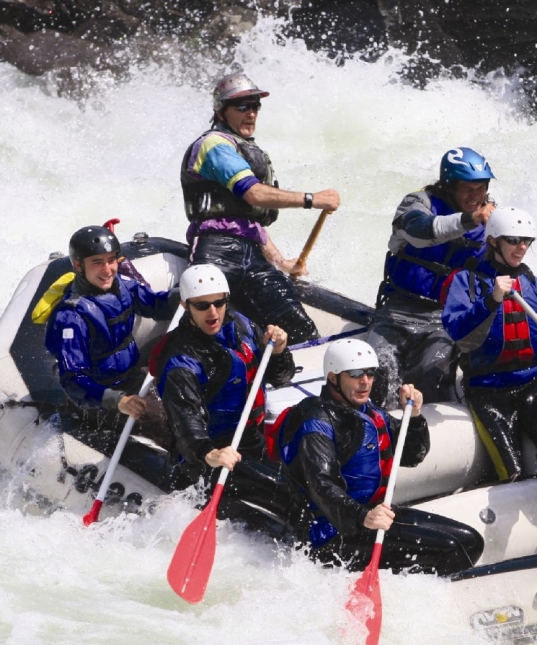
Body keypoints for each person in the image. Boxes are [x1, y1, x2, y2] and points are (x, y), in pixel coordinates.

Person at [274, 339, 484, 575]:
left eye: (370, 373)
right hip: (331, 531)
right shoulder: (318, 422)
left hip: (373, 514)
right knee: (452, 550)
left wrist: (413, 418)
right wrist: (362, 516)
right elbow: (320, 483)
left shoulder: (369, 412)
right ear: (333, 378)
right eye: (354, 374)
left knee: (470, 541)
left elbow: (413, 455)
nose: (365, 382)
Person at [180, 72, 341, 344]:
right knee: (207, 326)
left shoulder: (243, 148)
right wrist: (312, 199)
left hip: (251, 254)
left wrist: (281, 262)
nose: (251, 114)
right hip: (216, 248)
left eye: (255, 106)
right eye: (242, 107)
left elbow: (249, 224)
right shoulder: (214, 145)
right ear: (221, 112)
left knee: (299, 328)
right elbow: (253, 194)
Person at [440, 206, 537, 481]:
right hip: (489, 392)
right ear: (493, 241)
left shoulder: (534, 283)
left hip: (534, 388)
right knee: (510, 472)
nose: (522, 247)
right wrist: (491, 300)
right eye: (513, 240)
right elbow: (458, 333)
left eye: (527, 241)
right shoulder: (467, 281)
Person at [152, 264, 296, 507]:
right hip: (209, 459)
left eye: (218, 303)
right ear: (186, 306)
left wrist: (279, 351)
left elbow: (281, 378)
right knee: (289, 496)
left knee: (305, 482)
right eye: (202, 305)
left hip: (251, 441)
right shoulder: (182, 362)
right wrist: (210, 453)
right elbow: (186, 422)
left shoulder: (241, 326)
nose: (213, 312)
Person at [366, 147, 496, 407]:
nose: (475, 196)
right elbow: (421, 231)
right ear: (449, 187)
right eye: (467, 189)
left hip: (445, 318)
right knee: (378, 369)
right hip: (397, 311)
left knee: (433, 371)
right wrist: (469, 219)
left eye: (480, 188)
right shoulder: (417, 204)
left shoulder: (493, 220)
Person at [43, 225, 177, 424]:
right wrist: (118, 401)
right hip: (100, 400)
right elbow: (73, 378)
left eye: (111, 260)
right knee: (169, 425)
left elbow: (157, 305)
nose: (107, 270)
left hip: (131, 381)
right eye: (97, 263)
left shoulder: (122, 285)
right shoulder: (71, 316)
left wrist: (185, 294)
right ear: (79, 266)